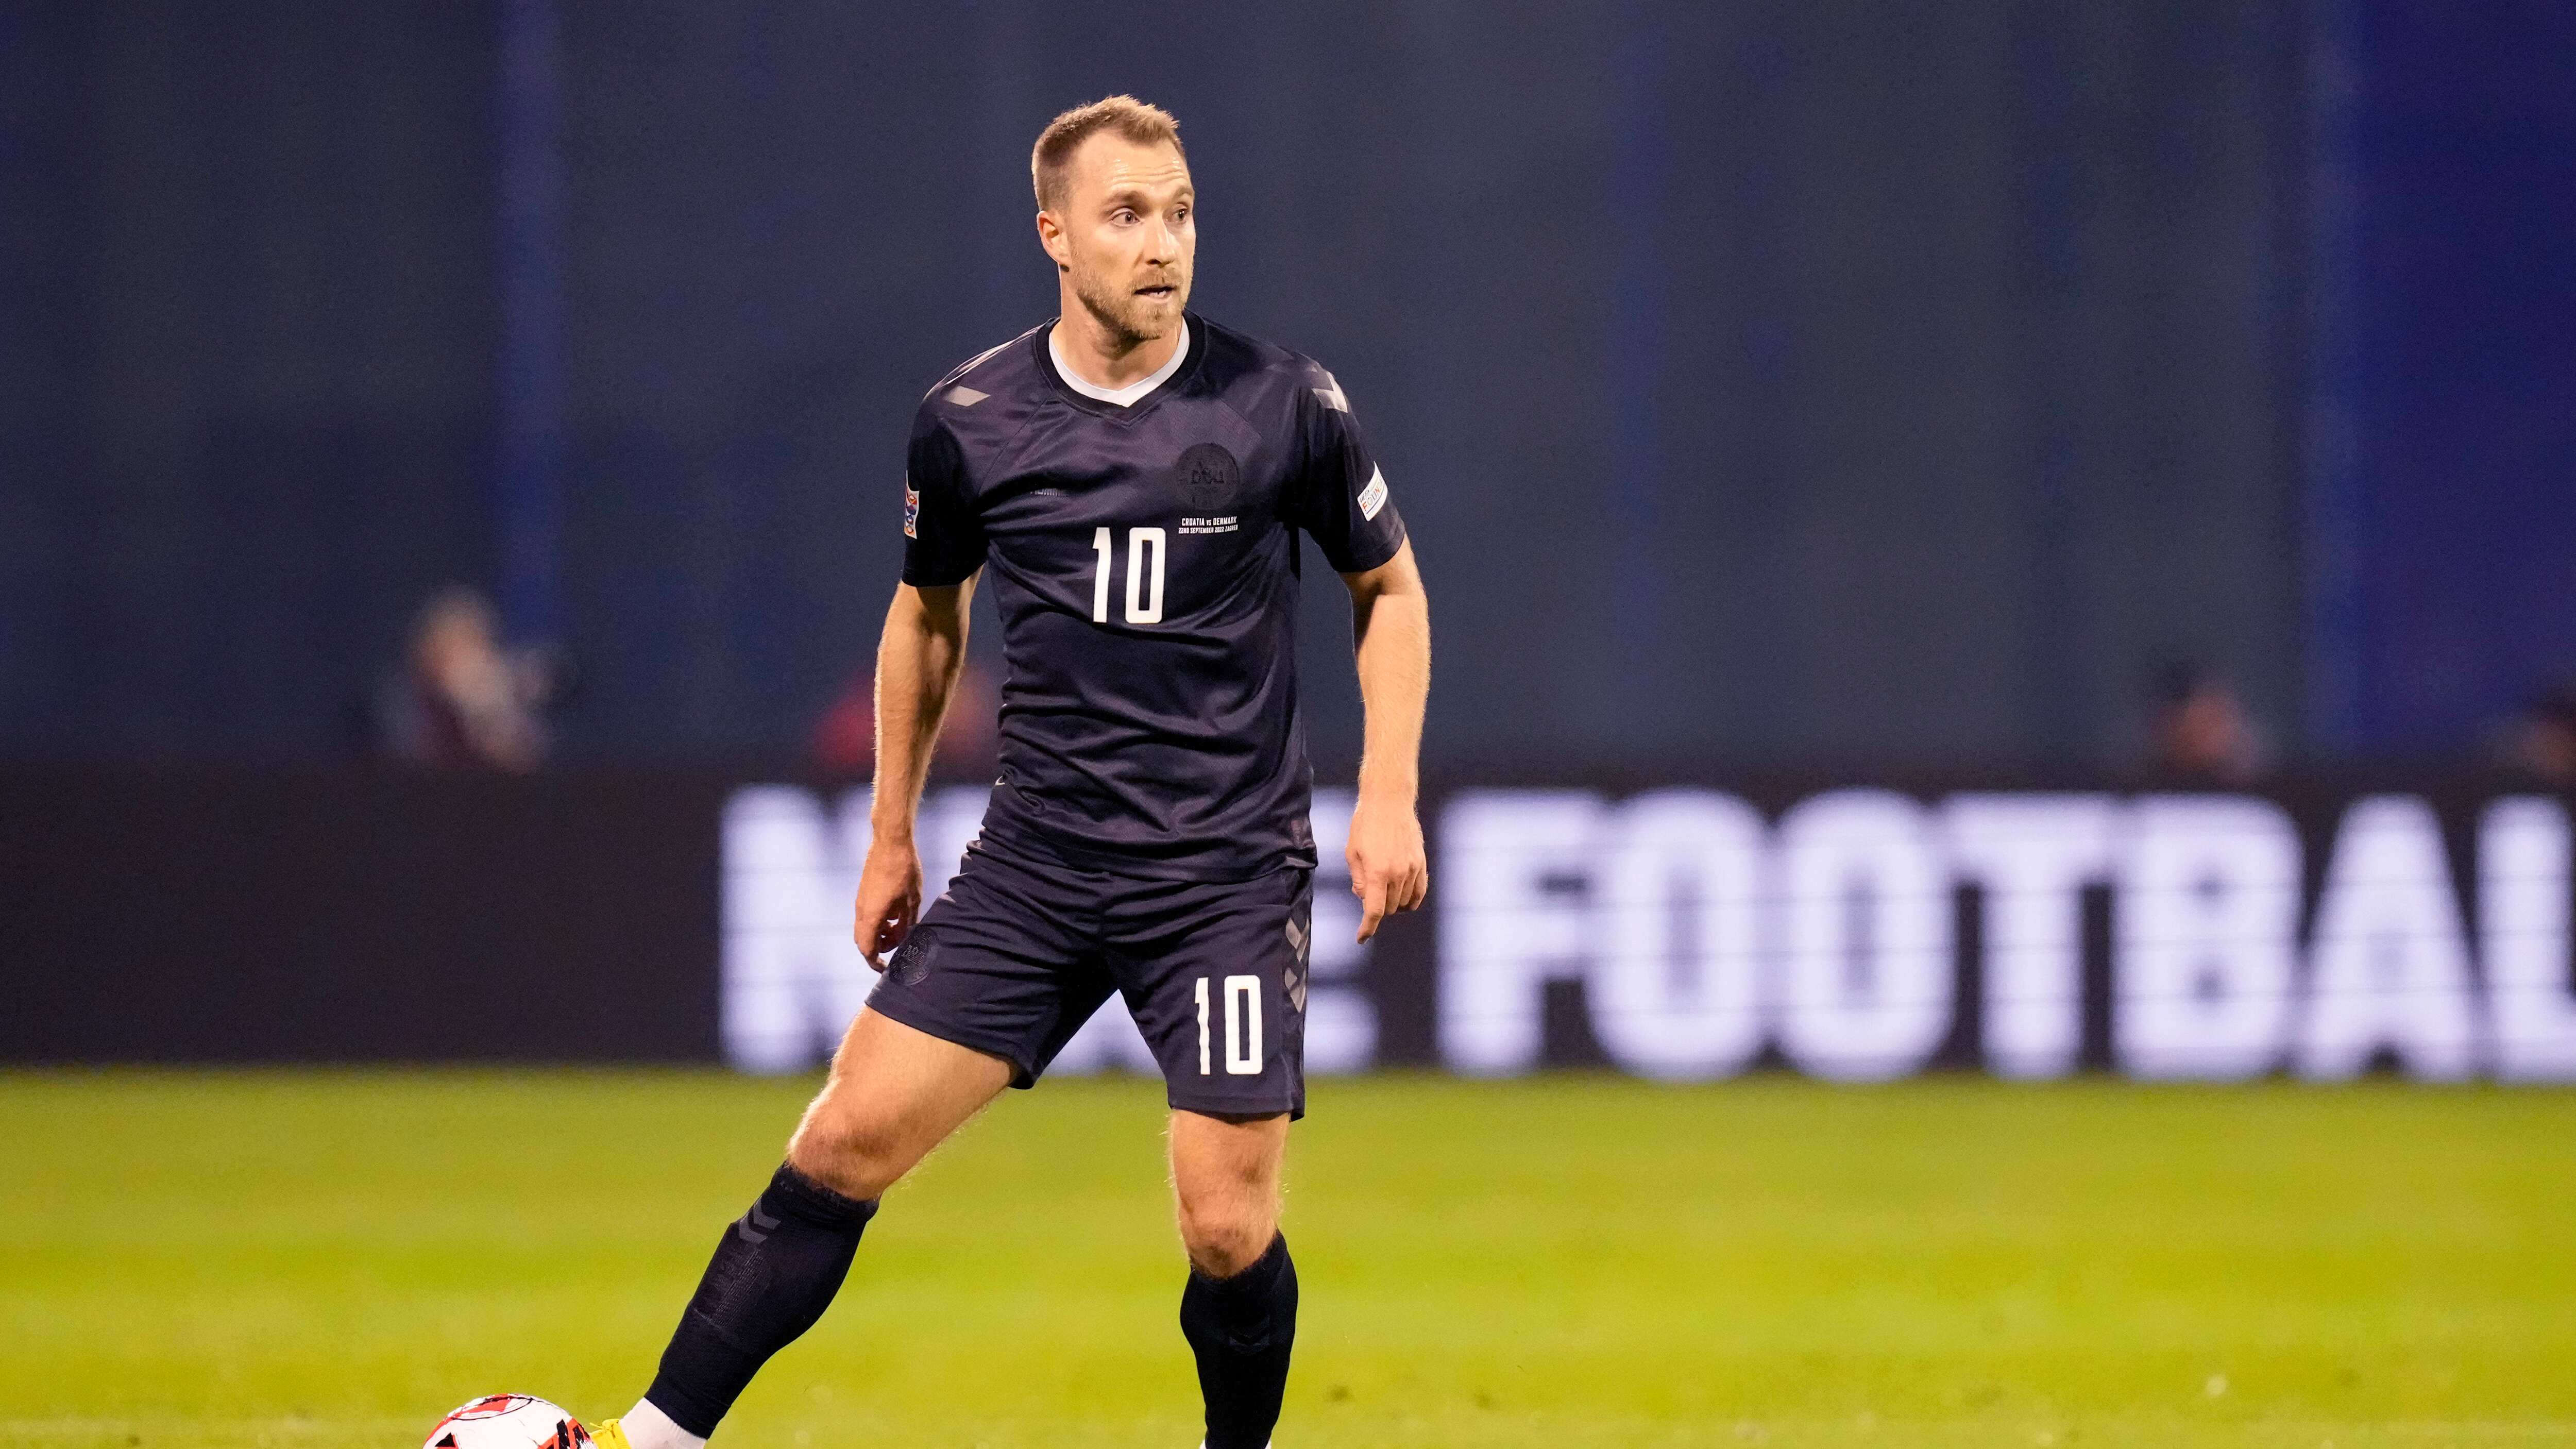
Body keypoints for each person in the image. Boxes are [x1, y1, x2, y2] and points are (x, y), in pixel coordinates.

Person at [592, 96, 1432, 1449]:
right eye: (1126, 214)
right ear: (1054, 233)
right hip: (1037, 868)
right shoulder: (971, 419)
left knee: (1225, 1223)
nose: (1162, 243)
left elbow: (1387, 588)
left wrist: (1386, 791)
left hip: (1219, 874)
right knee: (841, 1141)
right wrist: (890, 833)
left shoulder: (1285, 401)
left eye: (1180, 213)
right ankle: (650, 1437)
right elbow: (927, 618)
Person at [374, 586, 551, 770]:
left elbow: (524, 755)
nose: (478, 661)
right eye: (459, 650)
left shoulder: (499, 697)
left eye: (481, 645)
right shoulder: (407, 709)